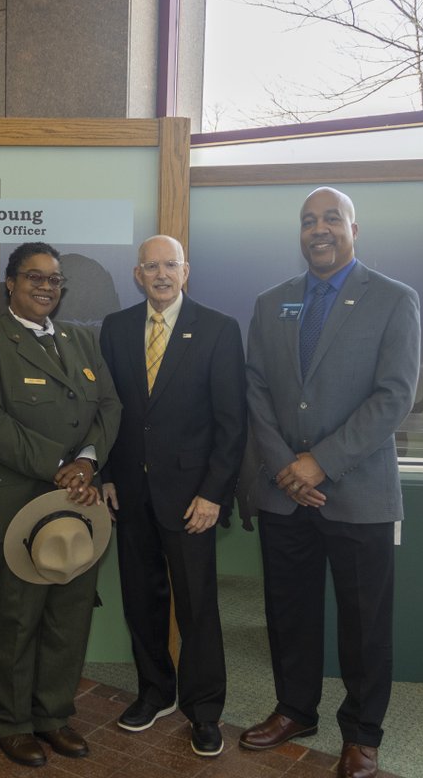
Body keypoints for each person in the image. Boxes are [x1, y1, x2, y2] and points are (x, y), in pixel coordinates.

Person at [241, 187, 420, 778]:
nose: (319, 229)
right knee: (288, 612)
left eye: (331, 219)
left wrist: (319, 462)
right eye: (308, 221)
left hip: (358, 491)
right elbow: (257, 390)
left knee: (365, 623)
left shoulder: (394, 300)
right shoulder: (272, 302)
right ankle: (295, 709)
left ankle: (363, 734)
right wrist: (285, 467)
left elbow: (395, 396)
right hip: (282, 492)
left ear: (353, 229)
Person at [0, 242, 121, 769]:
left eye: (54, 279)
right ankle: (10, 722)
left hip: (76, 504)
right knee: (13, 622)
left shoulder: (81, 339)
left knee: (67, 618)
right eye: (34, 277)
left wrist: (87, 464)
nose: (46, 287)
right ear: (11, 283)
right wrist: (59, 465)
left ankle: (52, 716)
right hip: (8, 508)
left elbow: (109, 405)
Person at [98, 234, 246, 757]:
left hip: (191, 502)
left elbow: (232, 424)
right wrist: (108, 475)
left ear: (187, 271)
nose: (161, 274)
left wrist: (213, 494)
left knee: (198, 607)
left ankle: (205, 712)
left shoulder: (219, 329)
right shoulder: (115, 329)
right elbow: (108, 411)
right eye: (151, 266)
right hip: (130, 494)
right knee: (142, 602)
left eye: (171, 265)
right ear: (137, 274)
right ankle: (155, 692)